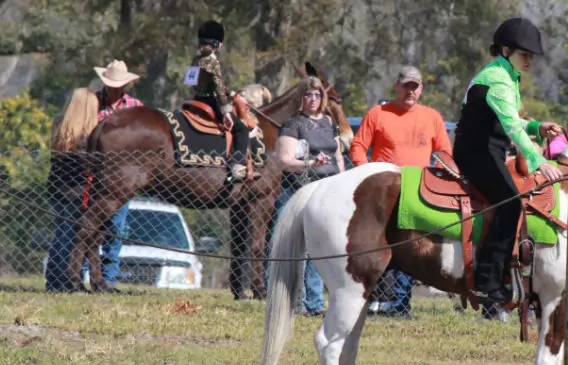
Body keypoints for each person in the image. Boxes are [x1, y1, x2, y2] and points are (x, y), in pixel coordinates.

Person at [452, 17, 564, 303]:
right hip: (477, 153)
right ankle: (488, 282)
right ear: (505, 51)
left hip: (490, 150)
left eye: (530, 56)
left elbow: (514, 121)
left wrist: (538, 127)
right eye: (524, 55)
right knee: (511, 203)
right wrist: (540, 162)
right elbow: (512, 129)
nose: (529, 61)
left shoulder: (508, 76)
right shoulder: (497, 80)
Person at [349, 66, 451, 317]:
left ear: (421, 90)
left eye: (415, 87)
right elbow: (358, 148)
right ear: (396, 86)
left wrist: (442, 179)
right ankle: (375, 300)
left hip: (418, 192)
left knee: (412, 246)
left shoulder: (432, 117)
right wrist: (367, 177)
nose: (410, 91)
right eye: (406, 85)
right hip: (383, 193)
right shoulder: (378, 114)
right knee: (376, 245)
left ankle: (400, 305)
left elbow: (445, 153)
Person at [45, 61, 145, 292]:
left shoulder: (134, 108)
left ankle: (101, 278)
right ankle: (73, 277)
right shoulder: (91, 105)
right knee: (81, 232)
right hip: (88, 185)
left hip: (112, 183)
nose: (115, 89)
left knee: (110, 231)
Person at [270, 77, 343, 317]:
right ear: (300, 98)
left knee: (319, 249)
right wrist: (310, 163)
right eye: (308, 95)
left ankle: (314, 305)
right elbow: (284, 161)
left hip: (328, 191)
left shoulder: (329, 122)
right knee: (294, 250)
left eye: (317, 95)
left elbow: (338, 156)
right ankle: (291, 303)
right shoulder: (293, 124)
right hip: (299, 192)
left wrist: (341, 181)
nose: (313, 99)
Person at [188, 20, 254, 181]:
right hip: (212, 101)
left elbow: (189, 82)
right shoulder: (212, 61)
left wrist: (230, 91)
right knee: (241, 129)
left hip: (197, 99)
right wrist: (226, 112)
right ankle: (237, 165)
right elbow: (218, 86)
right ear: (218, 43)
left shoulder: (195, 59)